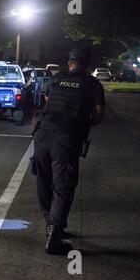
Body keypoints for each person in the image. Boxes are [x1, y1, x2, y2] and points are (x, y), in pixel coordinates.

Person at [32, 47, 105, 254]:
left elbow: (48, 104)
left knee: (44, 180)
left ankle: (51, 225)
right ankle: (54, 238)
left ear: (70, 62)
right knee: (63, 186)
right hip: (66, 139)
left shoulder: (56, 79)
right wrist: (80, 122)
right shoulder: (92, 85)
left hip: (42, 136)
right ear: (88, 64)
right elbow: (98, 117)